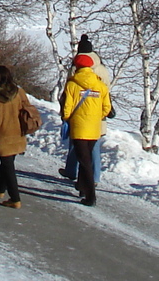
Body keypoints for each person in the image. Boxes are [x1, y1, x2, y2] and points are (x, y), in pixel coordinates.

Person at [60, 52, 112, 206]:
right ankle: (82, 187)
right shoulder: (100, 85)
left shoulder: (72, 84)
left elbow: (67, 107)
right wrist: (95, 117)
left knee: (84, 162)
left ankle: (91, 197)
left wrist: (68, 119)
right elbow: (107, 108)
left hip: (79, 128)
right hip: (94, 129)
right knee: (86, 157)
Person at [0, 64, 37, 208]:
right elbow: (28, 109)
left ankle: (15, 198)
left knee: (8, 166)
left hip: (3, 138)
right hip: (18, 135)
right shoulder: (19, 92)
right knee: (7, 163)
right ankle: (0, 188)